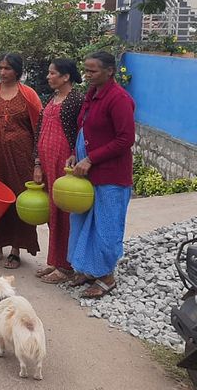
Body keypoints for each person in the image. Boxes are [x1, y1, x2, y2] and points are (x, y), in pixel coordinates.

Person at [67, 51, 135, 299]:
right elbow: (84, 128)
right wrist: (76, 153)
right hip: (86, 175)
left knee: (106, 227)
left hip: (110, 177)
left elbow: (125, 139)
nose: (87, 75)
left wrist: (91, 158)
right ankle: (87, 269)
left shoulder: (119, 99)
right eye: (86, 70)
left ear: (110, 71)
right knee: (83, 223)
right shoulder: (91, 95)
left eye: (92, 71)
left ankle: (106, 276)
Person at [0, 53, 42, 269]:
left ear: (17, 71)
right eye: (0, 67)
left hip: (22, 158)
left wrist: (38, 161)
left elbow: (39, 128)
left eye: (7, 68)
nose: (2, 72)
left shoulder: (29, 94)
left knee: (18, 201)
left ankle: (15, 250)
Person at [32, 59, 84, 284]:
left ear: (66, 77)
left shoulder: (76, 100)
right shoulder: (52, 99)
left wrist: (76, 158)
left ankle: (66, 266)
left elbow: (81, 132)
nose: (48, 77)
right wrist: (37, 162)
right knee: (53, 212)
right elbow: (39, 131)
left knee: (65, 214)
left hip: (65, 162)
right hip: (47, 161)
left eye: (53, 73)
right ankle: (55, 260)